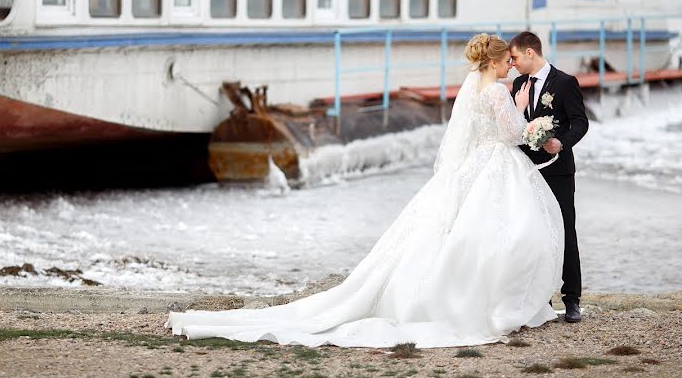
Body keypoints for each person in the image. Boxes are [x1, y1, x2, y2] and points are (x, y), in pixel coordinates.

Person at [166, 34, 564, 347]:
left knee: (472, 234)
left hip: (470, 166)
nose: (512, 65)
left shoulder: (470, 87)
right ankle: (501, 305)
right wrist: (531, 120)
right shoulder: (496, 91)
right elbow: (511, 133)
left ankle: (484, 299)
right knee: (509, 233)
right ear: (494, 61)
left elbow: (466, 134)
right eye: (507, 61)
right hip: (494, 164)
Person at [509, 31, 589, 323]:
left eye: (515, 57)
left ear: (531, 53)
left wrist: (561, 142)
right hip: (528, 171)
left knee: (565, 231)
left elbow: (581, 122)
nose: (513, 64)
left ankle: (572, 300)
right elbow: (515, 126)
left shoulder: (565, 83)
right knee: (535, 234)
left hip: (558, 169)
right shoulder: (517, 84)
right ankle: (541, 299)